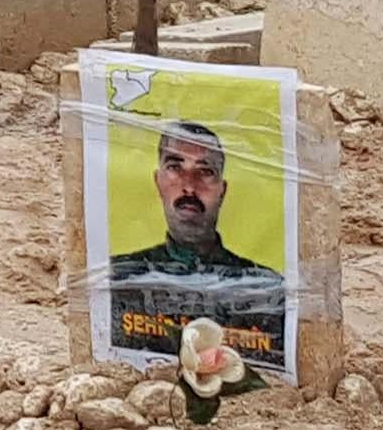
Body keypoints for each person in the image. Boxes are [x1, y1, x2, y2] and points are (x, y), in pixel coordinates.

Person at [109, 121, 286, 367]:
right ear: (158, 181)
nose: (189, 186)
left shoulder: (268, 291)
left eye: (205, 171)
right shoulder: (118, 280)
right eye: (175, 167)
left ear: (222, 191)